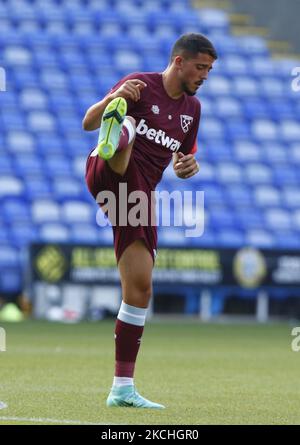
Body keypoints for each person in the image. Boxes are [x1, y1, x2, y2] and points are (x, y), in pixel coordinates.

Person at [84, 33, 217, 409]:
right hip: (108, 169)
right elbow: (86, 122)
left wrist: (189, 165)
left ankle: (122, 388)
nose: (205, 75)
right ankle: (120, 134)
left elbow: (182, 157)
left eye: (209, 69)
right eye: (200, 67)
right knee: (123, 127)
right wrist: (115, 100)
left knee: (140, 289)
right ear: (179, 61)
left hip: (135, 196)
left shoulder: (193, 109)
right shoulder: (141, 83)